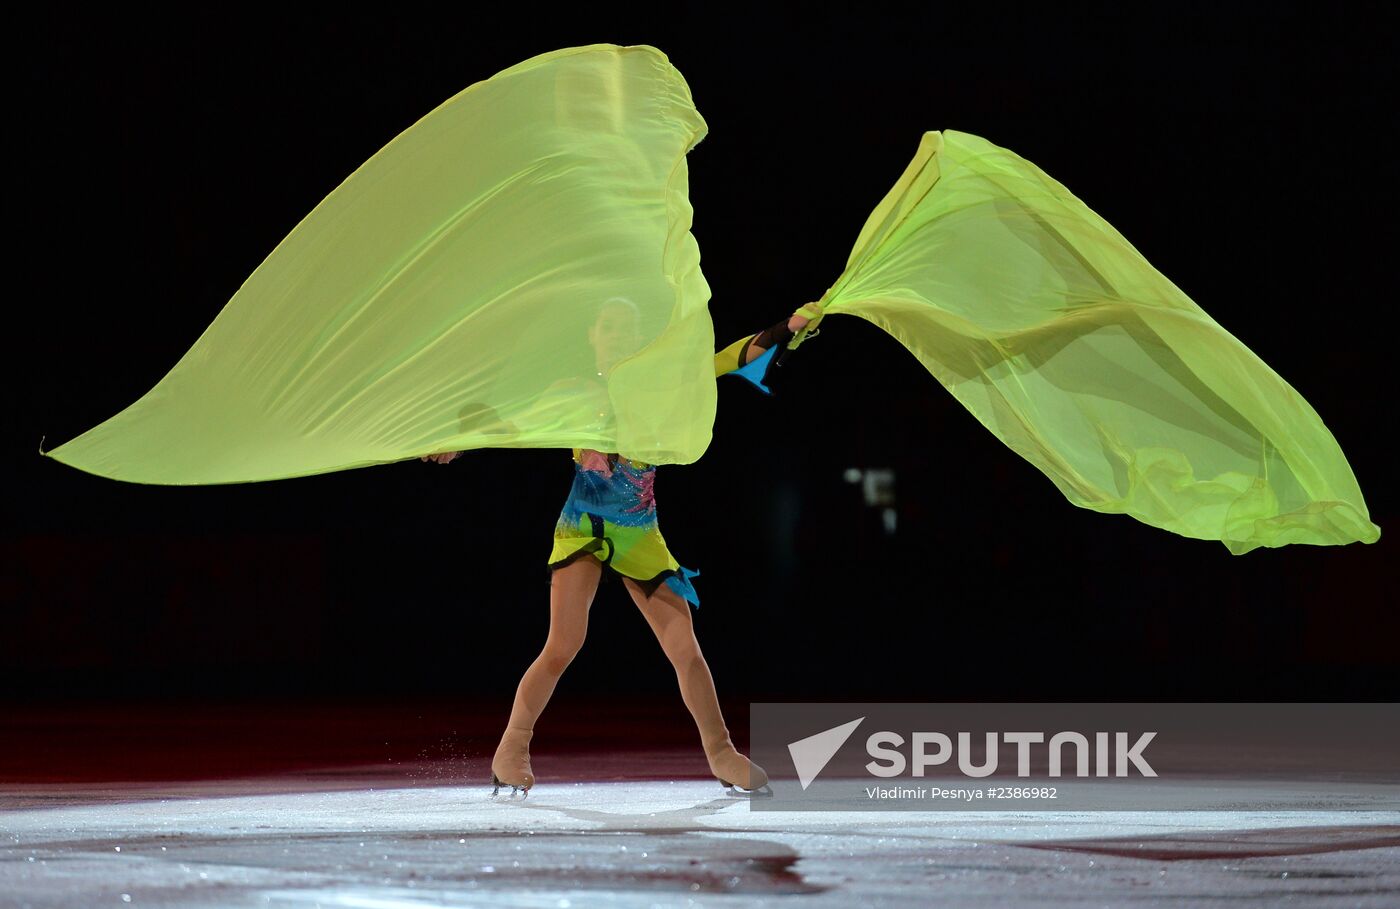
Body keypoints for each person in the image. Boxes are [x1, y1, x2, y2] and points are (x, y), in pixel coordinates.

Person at [424, 300, 824, 797]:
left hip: (640, 531)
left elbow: (724, 360)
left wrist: (788, 326)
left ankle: (721, 753)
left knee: (685, 649)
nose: (618, 335)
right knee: (564, 643)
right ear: (593, 334)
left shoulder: (659, 384)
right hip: (583, 527)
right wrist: (457, 438)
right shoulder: (571, 392)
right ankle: (512, 748)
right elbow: (508, 422)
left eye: (629, 328)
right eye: (609, 326)